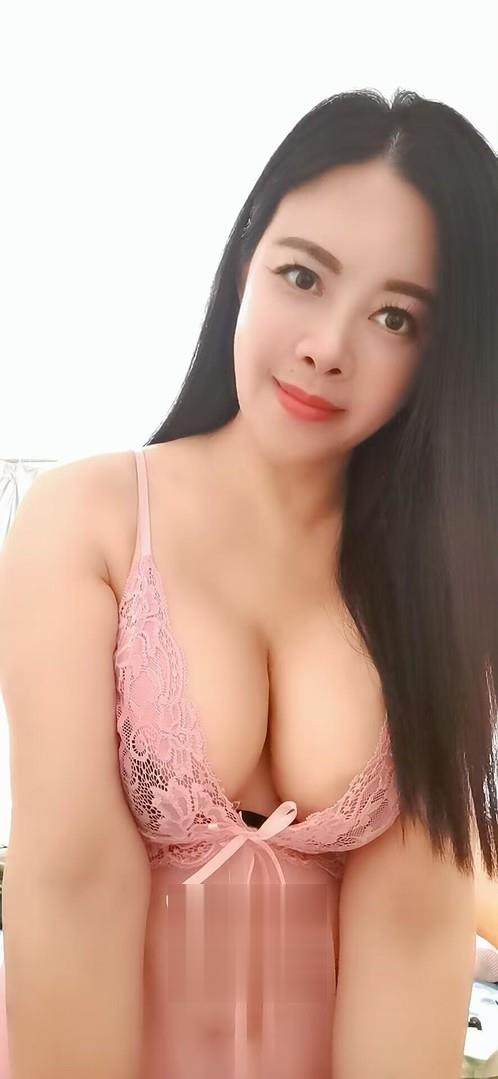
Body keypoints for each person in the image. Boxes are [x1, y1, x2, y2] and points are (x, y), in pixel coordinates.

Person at [0, 87, 497, 1079]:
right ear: (244, 261)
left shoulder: (442, 580)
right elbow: (74, 885)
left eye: (395, 316)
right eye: (302, 275)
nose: (327, 346)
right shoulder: (86, 520)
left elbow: (412, 928)